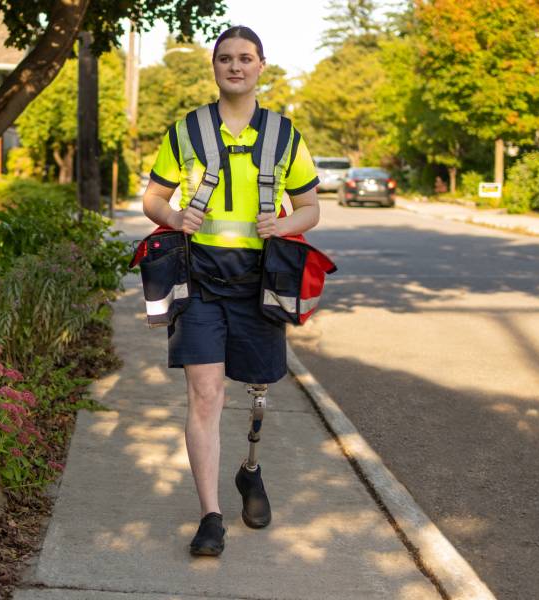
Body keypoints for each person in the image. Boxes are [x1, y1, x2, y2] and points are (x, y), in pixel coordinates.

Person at [140, 25, 321, 557]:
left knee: (259, 390)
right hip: (199, 281)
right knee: (204, 394)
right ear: (214, 67)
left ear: (262, 66)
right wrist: (174, 215)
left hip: (259, 284)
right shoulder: (187, 130)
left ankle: (250, 469)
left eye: (245, 58)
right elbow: (153, 198)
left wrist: (284, 226)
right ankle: (210, 516)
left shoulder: (285, 134)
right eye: (225, 59)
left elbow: (312, 208)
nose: (235, 67)